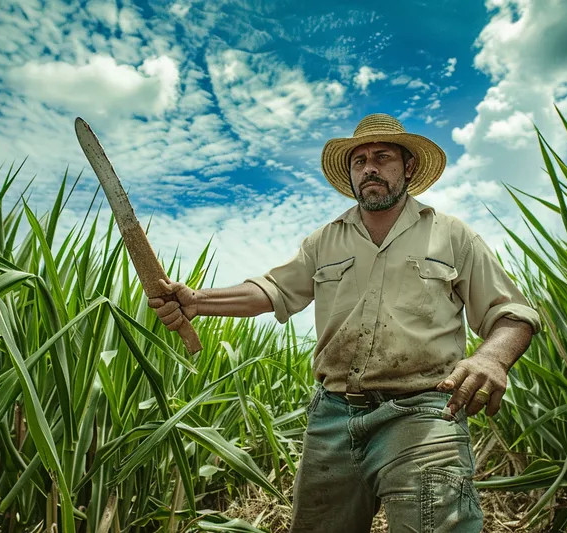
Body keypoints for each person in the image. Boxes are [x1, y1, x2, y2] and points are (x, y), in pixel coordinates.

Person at [148, 113, 541, 533]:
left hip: (422, 413)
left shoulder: (452, 235)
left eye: (382, 157)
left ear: (408, 167)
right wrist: (197, 301)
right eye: (359, 161)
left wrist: (491, 359)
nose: (369, 167)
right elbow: (273, 290)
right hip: (333, 417)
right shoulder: (325, 240)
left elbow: (513, 315)